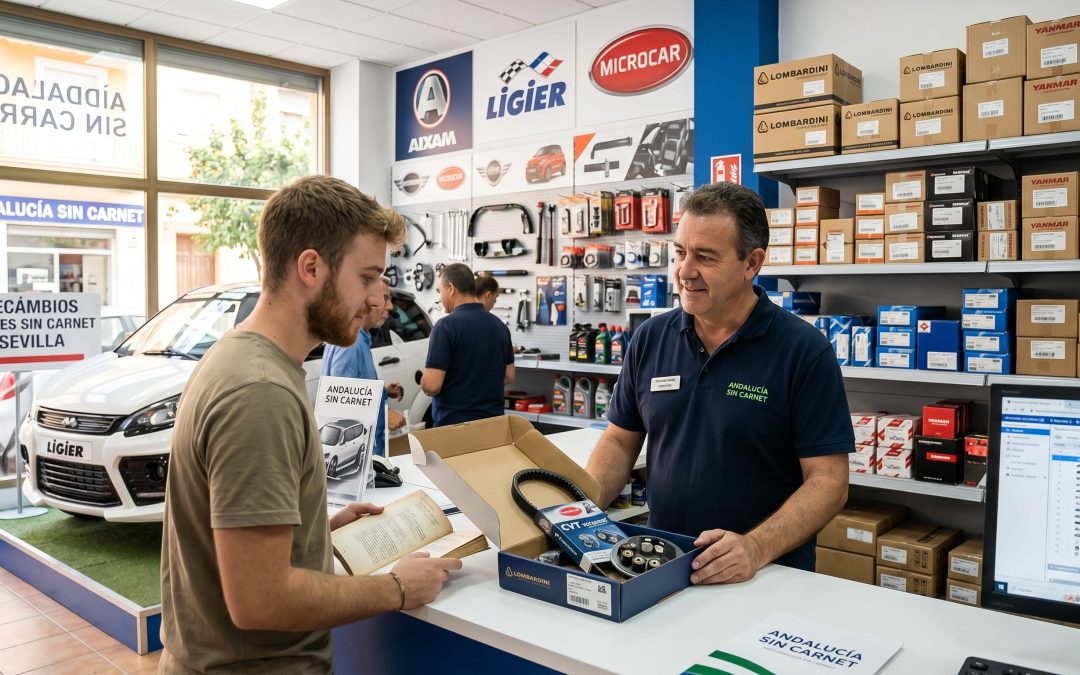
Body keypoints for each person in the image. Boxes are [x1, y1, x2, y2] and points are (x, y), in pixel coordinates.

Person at [160, 176, 461, 673]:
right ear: (311, 267)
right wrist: (397, 587)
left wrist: (312, 531)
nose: (374, 300)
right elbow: (259, 599)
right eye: (366, 277)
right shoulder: (260, 391)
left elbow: (231, 541)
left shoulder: (242, 358)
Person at [586, 181, 851, 585]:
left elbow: (829, 481)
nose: (685, 271)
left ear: (752, 263)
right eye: (680, 253)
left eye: (705, 257)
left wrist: (756, 547)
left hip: (766, 575)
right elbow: (620, 441)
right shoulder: (650, 338)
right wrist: (579, 509)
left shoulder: (803, 351)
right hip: (663, 564)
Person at [420, 263, 514, 426]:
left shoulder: (444, 327)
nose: (439, 297)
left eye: (439, 291)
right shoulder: (500, 327)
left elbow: (432, 385)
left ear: (451, 288)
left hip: (455, 430)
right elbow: (509, 376)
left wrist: (424, 381)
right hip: (494, 426)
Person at [322, 277, 407, 456]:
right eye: (385, 298)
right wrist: (385, 413)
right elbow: (342, 403)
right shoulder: (351, 343)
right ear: (366, 300)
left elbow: (353, 389)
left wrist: (383, 391)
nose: (390, 306)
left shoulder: (357, 338)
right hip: (357, 456)